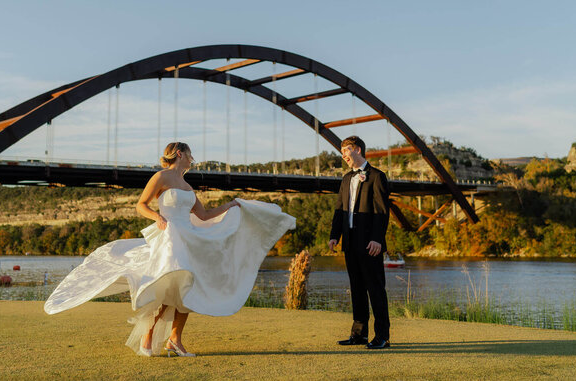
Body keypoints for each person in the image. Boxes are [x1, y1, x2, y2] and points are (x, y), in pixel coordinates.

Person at [44, 142, 296, 357]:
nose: (192, 158)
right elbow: (141, 205)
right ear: (179, 154)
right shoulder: (161, 177)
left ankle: (175, 339)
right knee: (168, 290)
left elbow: (205, 215)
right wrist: (156, 217)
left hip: (190, 237)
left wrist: (232, 205)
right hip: (170, 237)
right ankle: (149, 337)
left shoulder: (187, 186)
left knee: (189, 290)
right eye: (190, 154)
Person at [328, 135, 391, 349]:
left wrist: (377, 239)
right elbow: (339, 209)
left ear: (358, 150)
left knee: (375, 289)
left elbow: (382, 212)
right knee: (356, 289)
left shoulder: (377, 177)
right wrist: (334, 235)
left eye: (346, 150)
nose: (343, 155)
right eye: (342, 151)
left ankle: (382, 336)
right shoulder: (346, 179)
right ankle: (359, 334)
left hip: (370, 244)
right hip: (350, 243)